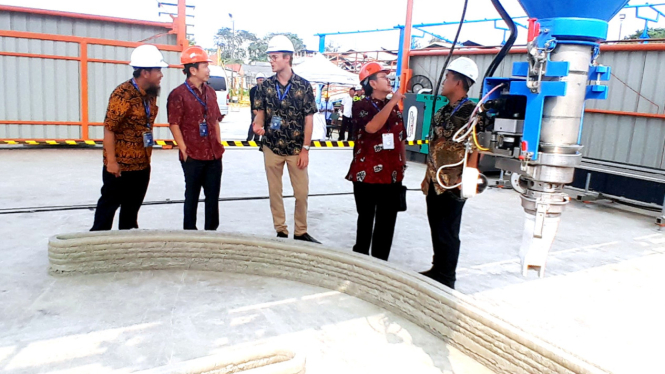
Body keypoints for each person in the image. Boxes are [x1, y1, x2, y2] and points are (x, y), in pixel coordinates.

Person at [90, 45, 167, 231]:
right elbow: (109, 129)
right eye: (158, 70)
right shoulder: (122, 95)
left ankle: (127, 244)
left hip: (141, 164)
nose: (161, 75)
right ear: (145, 72)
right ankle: (98, 244)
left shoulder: (150, 94)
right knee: (108, 208)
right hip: (120, 167)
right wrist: (112, 162)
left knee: (131, 212)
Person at [252, 35, 320, 243]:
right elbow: (261, 112)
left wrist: (306, 149)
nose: (271, 61)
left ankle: (301, 231)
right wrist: (257, 124)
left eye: (274, 57)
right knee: (275, 192)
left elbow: (309, 120)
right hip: (271, 147)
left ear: (287, 58)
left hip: (296, 149)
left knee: (301, 193)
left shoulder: (304, 86)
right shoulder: (265, 87)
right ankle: (280, 229)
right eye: (270, 57)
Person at [420, 57, 480, 289]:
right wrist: (427, 177)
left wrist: (469, 178)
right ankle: (438, 268)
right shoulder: (443, 111)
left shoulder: (472, 112)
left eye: (447, 77)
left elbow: (476, 147)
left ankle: (447, 277)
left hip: (454, 181)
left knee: (448, 230)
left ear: (458, 82)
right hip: (435, 180)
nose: (443, 81)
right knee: (436, 226)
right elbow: (434, 144)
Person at [346, 62, 406, 261]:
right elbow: (371, 128)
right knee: (366, 219)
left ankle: (381, 261)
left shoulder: (395, 108)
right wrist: (392, 102)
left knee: (387, 222)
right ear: (371, 83)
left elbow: (400, 139)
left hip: (392, 174)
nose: (388, 80)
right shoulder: (360, 105)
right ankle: (362, 260)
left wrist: (403, 163)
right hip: (366, 173)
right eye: (383, 77)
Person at [167, 46, 225, 231]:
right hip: (193, 155)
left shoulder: (211, 92)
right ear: (192, 70)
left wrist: (218, 143)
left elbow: (215, 120)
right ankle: (189, 232)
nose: (208, 70)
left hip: (213, 155)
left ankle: (211, 232)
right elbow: (174, 123)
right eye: (204, 66)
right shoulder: (178, 95)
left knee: (213, 197)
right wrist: (184, 149)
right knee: (191, 196)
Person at [248, 72, 266, 141]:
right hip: (254, 109)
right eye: (259, 79)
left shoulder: (266, 89)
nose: (261, 81)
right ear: (257, 80)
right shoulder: (253, 90)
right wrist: (254, 110)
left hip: (263, 109)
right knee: (254, 123)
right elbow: (252, 100)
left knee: (261, 125)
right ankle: (249, 139)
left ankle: (257, 139)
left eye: (262, 79)